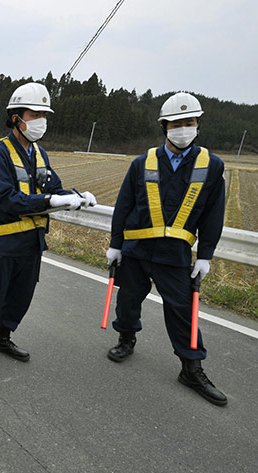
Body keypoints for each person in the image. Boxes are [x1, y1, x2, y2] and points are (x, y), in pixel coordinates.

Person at [0, 82, 96, 378]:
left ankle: (3, 338)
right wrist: (52, 200)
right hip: (0, 245)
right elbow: (8, 199)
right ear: (15, 118)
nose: (40, 122)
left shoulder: (39, 153)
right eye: (34, 115)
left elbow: (53, 187)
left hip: (31, 244)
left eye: (43, 115)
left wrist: (76, 195)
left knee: (20, 297)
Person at [105, 92, 227, 406]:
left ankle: (191, 367)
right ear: (164, 127)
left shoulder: (211, 166)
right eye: (176, 123)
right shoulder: (142, 163)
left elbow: (214, 214)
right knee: (128, 300)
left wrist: (206, 255)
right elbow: (124, 206)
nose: (183, 128)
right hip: (136, 249)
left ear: (198, 125)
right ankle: (126, 338)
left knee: (183, 311)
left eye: (189, 122)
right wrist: (115, 245)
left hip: (174, 255)